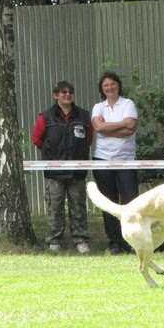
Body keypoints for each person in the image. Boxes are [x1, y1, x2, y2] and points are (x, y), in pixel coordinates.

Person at [31, 81, 91, 253]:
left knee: (78, 206)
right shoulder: (45, 117)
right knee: (54, 207)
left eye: (70, 92)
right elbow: (36, 139)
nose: (67, 95)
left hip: (77, 171)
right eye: (63, 92)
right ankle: (54, 241)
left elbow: (89, 140)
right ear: (55, 95)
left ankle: (80, 240)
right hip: (54, 172)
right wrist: (52, 153)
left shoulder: (83, 116)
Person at [91, 72, 139, 255]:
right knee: (109, 202)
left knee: (130, 201)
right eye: (106, 86)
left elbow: (131, 128)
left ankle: (131, 241)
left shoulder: (128, 104)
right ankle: (114, 242)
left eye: (112, 84)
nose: (109, 88)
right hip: (102, 159)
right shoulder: (98, 107)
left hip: (126, 160)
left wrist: (106, 129)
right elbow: (98, 127)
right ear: (102, 89)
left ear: (118, 85)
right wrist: (120, 125)